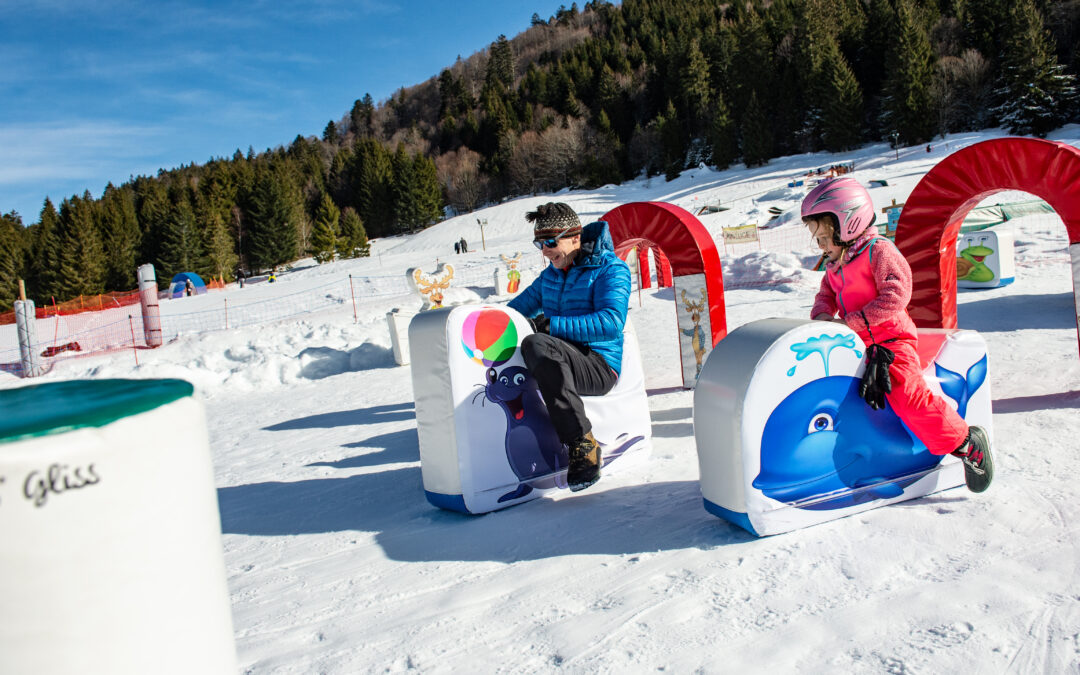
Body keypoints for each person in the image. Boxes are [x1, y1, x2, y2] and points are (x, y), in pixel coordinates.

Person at [802, 177, 994, 493]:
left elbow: (897, 293)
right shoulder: (836, 263)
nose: (820, 244)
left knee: (907, 396)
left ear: (848, 224)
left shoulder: (878, 251)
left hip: (891, 341)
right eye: (817, 238)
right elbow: (826, 293)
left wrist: (854, 321)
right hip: (858, 343)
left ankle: (964, 441)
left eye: (823, 236)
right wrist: (822, 316)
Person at [508, 202, 631, 491]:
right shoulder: (549, 276)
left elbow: (611, 321)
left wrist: (551, 325)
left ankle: (583, 444)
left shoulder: (609, 269)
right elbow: (514, 312)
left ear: (575, 237)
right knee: (528, 344)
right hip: (558, 358)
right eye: (539, 243)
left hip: (598, 363)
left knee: (536, 342)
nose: (545, 251)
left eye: (551, 242)